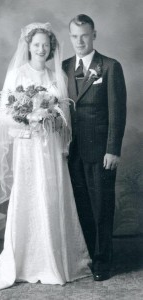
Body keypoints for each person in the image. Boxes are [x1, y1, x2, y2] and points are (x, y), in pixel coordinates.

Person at [0, 22, 91, 290]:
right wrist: (31, 118)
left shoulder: (57, 77)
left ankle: (54, 260)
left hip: (51, 149)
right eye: (37, 45)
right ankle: (24, 260)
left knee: (51, 196)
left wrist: (50, 119)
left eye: (46, 45)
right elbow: (6, 118)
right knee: (30, 196)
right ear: (29, 47)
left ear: (51, 48)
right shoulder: (18, 75)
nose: (41, 49)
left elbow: (65, 118)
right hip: (27, 148)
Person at [62, 14, 127, 281]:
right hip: (72, 151)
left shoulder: (110, 67)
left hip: (101, 152)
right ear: (70, 37)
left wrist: (113, 149)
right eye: (75, 36)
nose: (80, 41)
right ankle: (88, 257)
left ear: (94, 35)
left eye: (85, 35)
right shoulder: (64, 66)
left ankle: (103, 263)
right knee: (82, 207)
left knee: (102, 207)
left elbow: (117, 112)